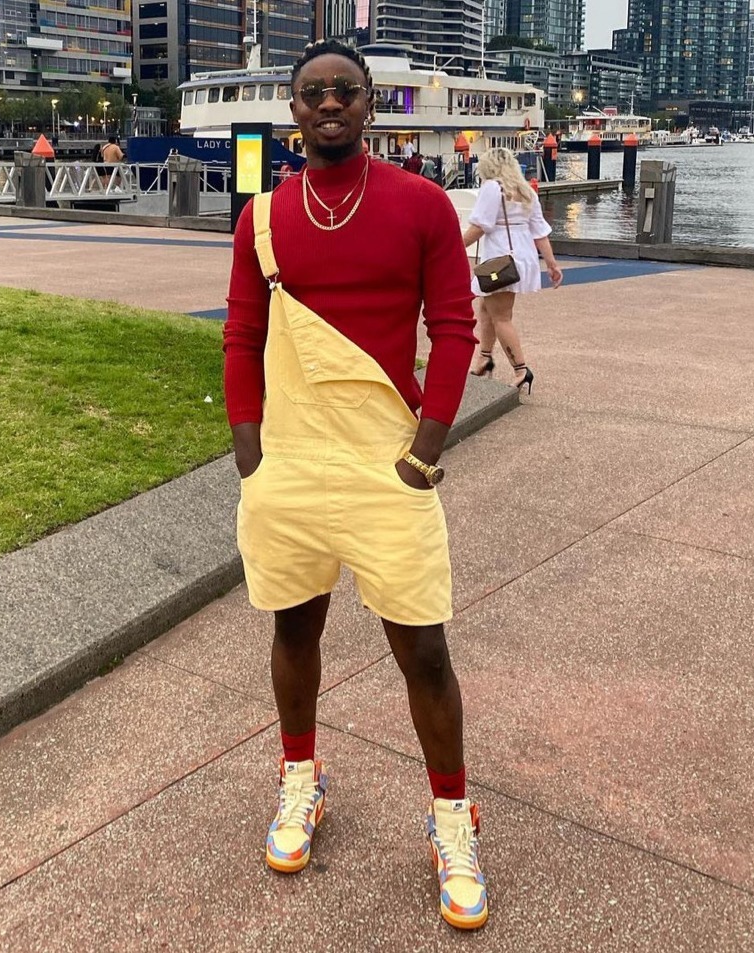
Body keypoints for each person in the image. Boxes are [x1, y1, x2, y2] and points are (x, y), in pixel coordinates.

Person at [223, 38, 488, 931]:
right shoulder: (261, 217)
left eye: (345, 89)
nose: (328, 103)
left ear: (370, 103)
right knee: (293, 630)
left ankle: (452, 818)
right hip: (289, 461)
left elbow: (454, 328)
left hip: (386, 461)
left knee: (424, 651)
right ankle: (301, 778)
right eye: (313, 93)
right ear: (292, 110)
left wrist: (425, 448)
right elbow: (240, 335)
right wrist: (250, 450)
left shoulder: (420, 204)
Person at [461, 146, 563, 391]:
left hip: (500, 258)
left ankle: (521, 369)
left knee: (501, 317)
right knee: (486, 308)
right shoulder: (526, 191)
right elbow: (540, 231)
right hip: (522, 256)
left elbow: (481, 226)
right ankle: (484, 357)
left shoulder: (492, 188)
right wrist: (551, 263)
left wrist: (454, 246)